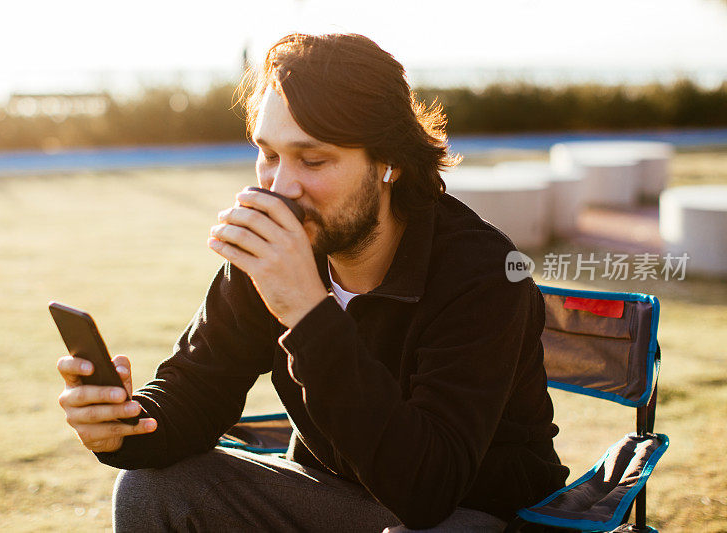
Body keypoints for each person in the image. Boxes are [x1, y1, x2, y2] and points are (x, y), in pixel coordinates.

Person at [57, 33, 569, 532]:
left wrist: (305, 308)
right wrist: (125, 426)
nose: (281, 187)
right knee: (149, 489)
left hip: (473, 513)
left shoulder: (483, 272)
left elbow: (426, 489)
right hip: (332, 494)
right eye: (270, 155)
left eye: (313, 159)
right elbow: (195, 389)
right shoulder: (274, 249)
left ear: (389, 161)